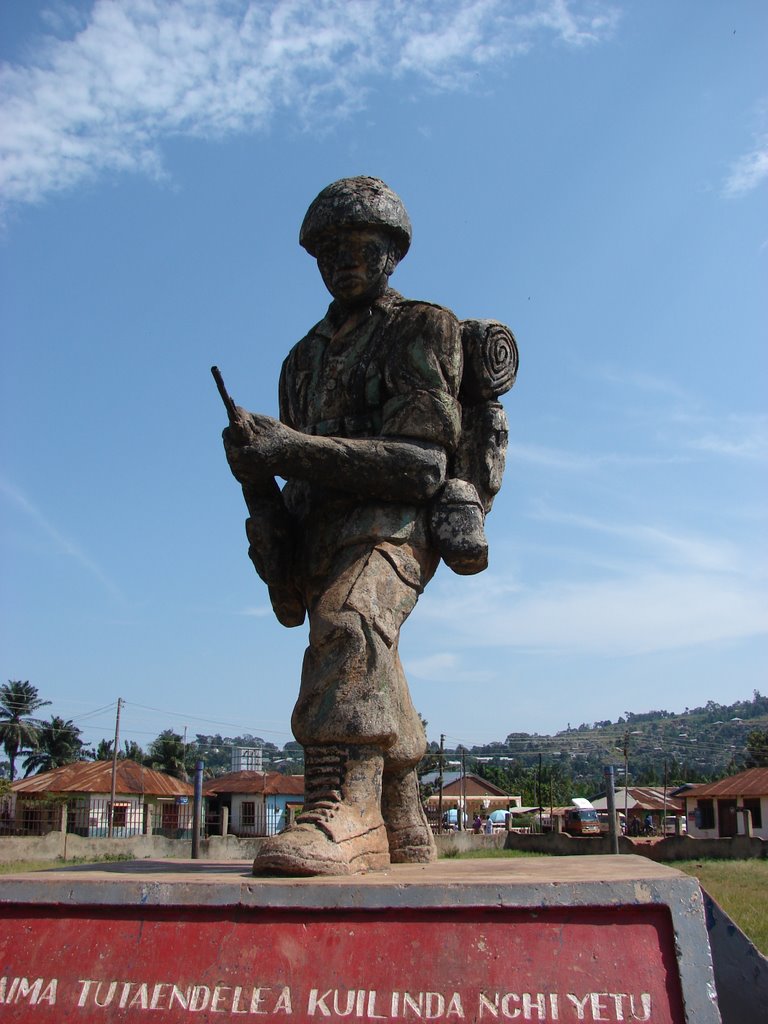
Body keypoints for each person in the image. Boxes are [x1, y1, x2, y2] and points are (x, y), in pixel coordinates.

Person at [223, 177, 512, 876]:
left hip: (396, 525)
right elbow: (301, 481)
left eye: (359, 245)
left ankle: (345, 811)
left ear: (391, 251)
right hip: (323, 530)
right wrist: (258, 483)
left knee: (350, 621)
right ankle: (400, 804)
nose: (342, 259)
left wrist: (288, 447)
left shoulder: (421, 327)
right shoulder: (301, 360)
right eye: (327, 250)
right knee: (359, 635)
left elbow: (420, 467)